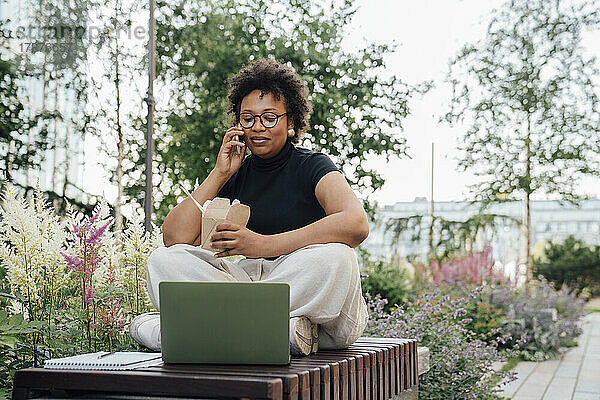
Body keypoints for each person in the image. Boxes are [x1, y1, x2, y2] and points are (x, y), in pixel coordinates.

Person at [130, 58, 370, 356]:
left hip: (307, 298)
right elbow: (174, 237)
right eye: (248, 118)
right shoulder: (236, 173)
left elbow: (356, 224)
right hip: (254, 287)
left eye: (269, 117)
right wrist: (220, 173)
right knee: (164, 260)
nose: (258, 127)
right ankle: (276, 331)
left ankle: (184, 331)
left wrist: (262, 245)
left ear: (291, 122)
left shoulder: (313, 166)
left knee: (337, 258)